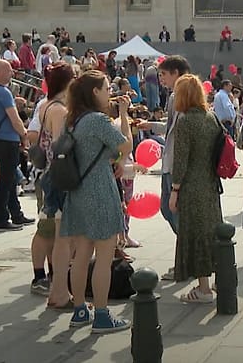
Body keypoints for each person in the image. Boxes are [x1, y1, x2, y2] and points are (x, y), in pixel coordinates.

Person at [61, 70, 133, 333]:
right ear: (94, 92)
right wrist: (124, 115)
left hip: (78, 191)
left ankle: (80, 310)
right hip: (100, 190)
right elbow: (125, 145)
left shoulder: (74, 119)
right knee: (104, 257)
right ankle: (102, 314)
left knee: (81, 255)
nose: (109, 93)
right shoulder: (97, 120)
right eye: (105, 88)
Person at [168, 74, 225, 303]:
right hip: (210, 184)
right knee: (211, 232)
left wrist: (174, 190)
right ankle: (219, 280)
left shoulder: (185, 121)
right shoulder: (210, 117)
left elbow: (181, 160)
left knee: (195, 234)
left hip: (192, 185)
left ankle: (203, 289)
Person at [141, 55, 191, 281]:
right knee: (167, 209)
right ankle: (186, 257)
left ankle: (186, 260)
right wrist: (152, 125)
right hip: (170, 163)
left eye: (164, 74)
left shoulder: (182, 97)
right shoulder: (174, 97)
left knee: (173, 210)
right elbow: (171, 128)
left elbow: (179, 132)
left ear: (176, 74)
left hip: (175, 165)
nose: (160, 78)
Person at [31, 63, 73, 306]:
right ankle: (56, 287)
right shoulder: (58, 109)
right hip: (57, 177)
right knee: (57, 234)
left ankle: (54, 283)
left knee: (52, 232)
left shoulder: (46, 106)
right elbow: (60, 147)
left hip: (48, 174)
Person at [0, 59, 30, 230]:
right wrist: (24, 135)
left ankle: (15, 214)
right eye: (9, 70)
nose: (12, 73)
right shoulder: (3, 92)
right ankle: (1, 217)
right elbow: (15, 119)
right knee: (6, 179)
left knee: (6, 179)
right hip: (7, 140)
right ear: (0, 72)